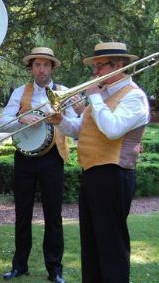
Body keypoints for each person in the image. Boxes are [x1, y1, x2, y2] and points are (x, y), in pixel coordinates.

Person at [51, 42, 149, 282]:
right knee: (92, 245)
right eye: (94, 67)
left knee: (111, 246)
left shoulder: (134, 96)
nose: (94, 73)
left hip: (115, 175)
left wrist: (94, 98)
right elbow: (81, 130)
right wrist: (59, 120)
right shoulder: (102, 94)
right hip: (93, 174)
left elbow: (112, 130)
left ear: (118, 66)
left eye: (99, 67)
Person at [0, 47, 78, 283]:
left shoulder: (64, 92)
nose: (41, 69)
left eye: (45, 65)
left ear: (52, 68)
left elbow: (76, 124)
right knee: (22, 214)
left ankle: (55, 268)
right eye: (37, 65)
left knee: (53, 215)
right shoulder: (20, 93)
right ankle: (19, 265)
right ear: (31, 68)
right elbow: (2, 123)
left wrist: (63, 117)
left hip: (52, 158)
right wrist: (20, 118)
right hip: (24, 158)